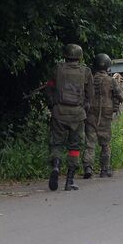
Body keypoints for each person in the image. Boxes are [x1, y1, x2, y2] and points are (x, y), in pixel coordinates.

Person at [44, 43, 94, 191]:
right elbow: (90, 94)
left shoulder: (57, 69)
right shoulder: (86, 72)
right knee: (75, 147)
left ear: (65, 55)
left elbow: (49, 88)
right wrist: (84, 106)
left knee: (56, 143)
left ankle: (56, 165)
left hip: (59, 112)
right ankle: (69, 181)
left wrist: (52, 103)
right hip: (77, 115)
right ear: (79, 56)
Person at [82, 53, 123, 178]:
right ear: (107, 66)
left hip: (90, 113)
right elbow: (122, 96)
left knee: (90, 142)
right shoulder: (111, 80)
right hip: (106, 115)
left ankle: (88, 168)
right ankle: (104, 169)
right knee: (105, 143)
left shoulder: (89, 79)